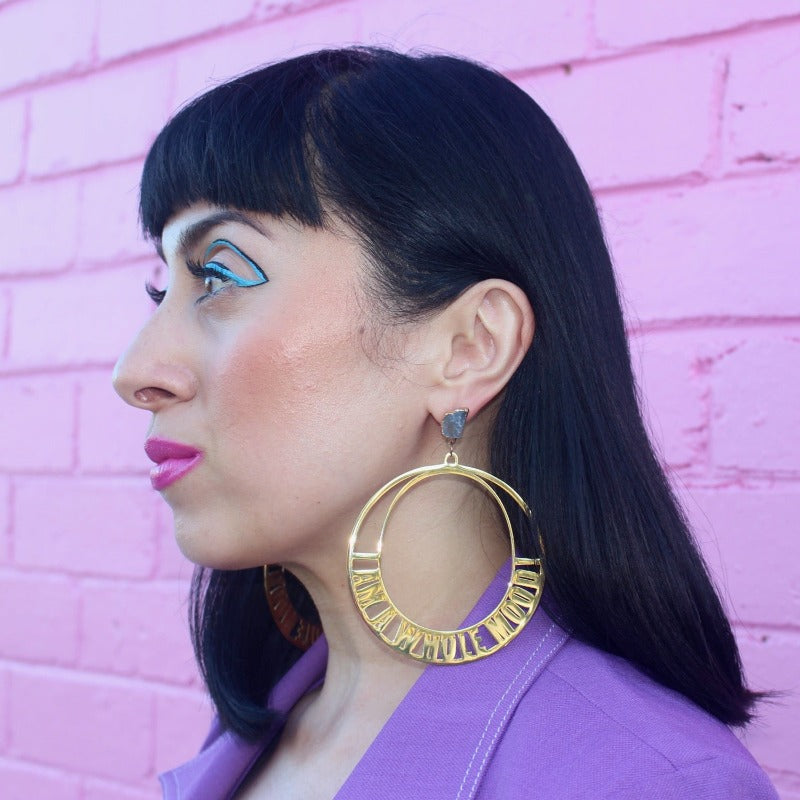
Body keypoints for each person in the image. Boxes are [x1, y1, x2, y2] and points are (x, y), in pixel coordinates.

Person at [113, 47, 778, 799]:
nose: (136, 371)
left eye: (220, 275)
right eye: (160, 291)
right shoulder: (272, 718)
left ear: (470, 348)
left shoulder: (647, 783)